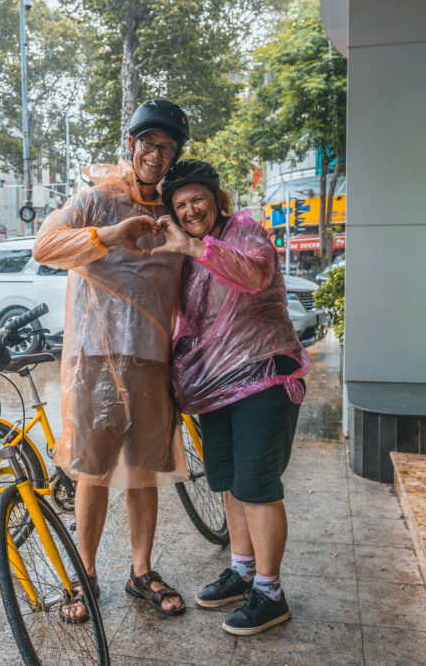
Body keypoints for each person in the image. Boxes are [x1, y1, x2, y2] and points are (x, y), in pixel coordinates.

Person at [33, 98, 190, 621]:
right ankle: (86, 574)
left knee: (145, 471)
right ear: (132, 144)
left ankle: (140, 571)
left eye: (167, 148)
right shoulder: (96, 200)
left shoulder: (171, 211)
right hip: (95, 359)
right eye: (149, 143)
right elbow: (45, 245)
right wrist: (108, 236)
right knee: (92, 472)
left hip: (151, 359)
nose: (156, 155)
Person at [151, 160, 309, 636]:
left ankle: (270, 592)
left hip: (263, 378)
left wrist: (195, 246)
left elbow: (254, 277)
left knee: (257, 487)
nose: (190, 209)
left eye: (197, 198)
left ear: (217, 199)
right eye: (180, 206)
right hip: (214, 389)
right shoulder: (185, 251)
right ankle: (243, 572)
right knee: (230, 483)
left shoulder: (246, 232)